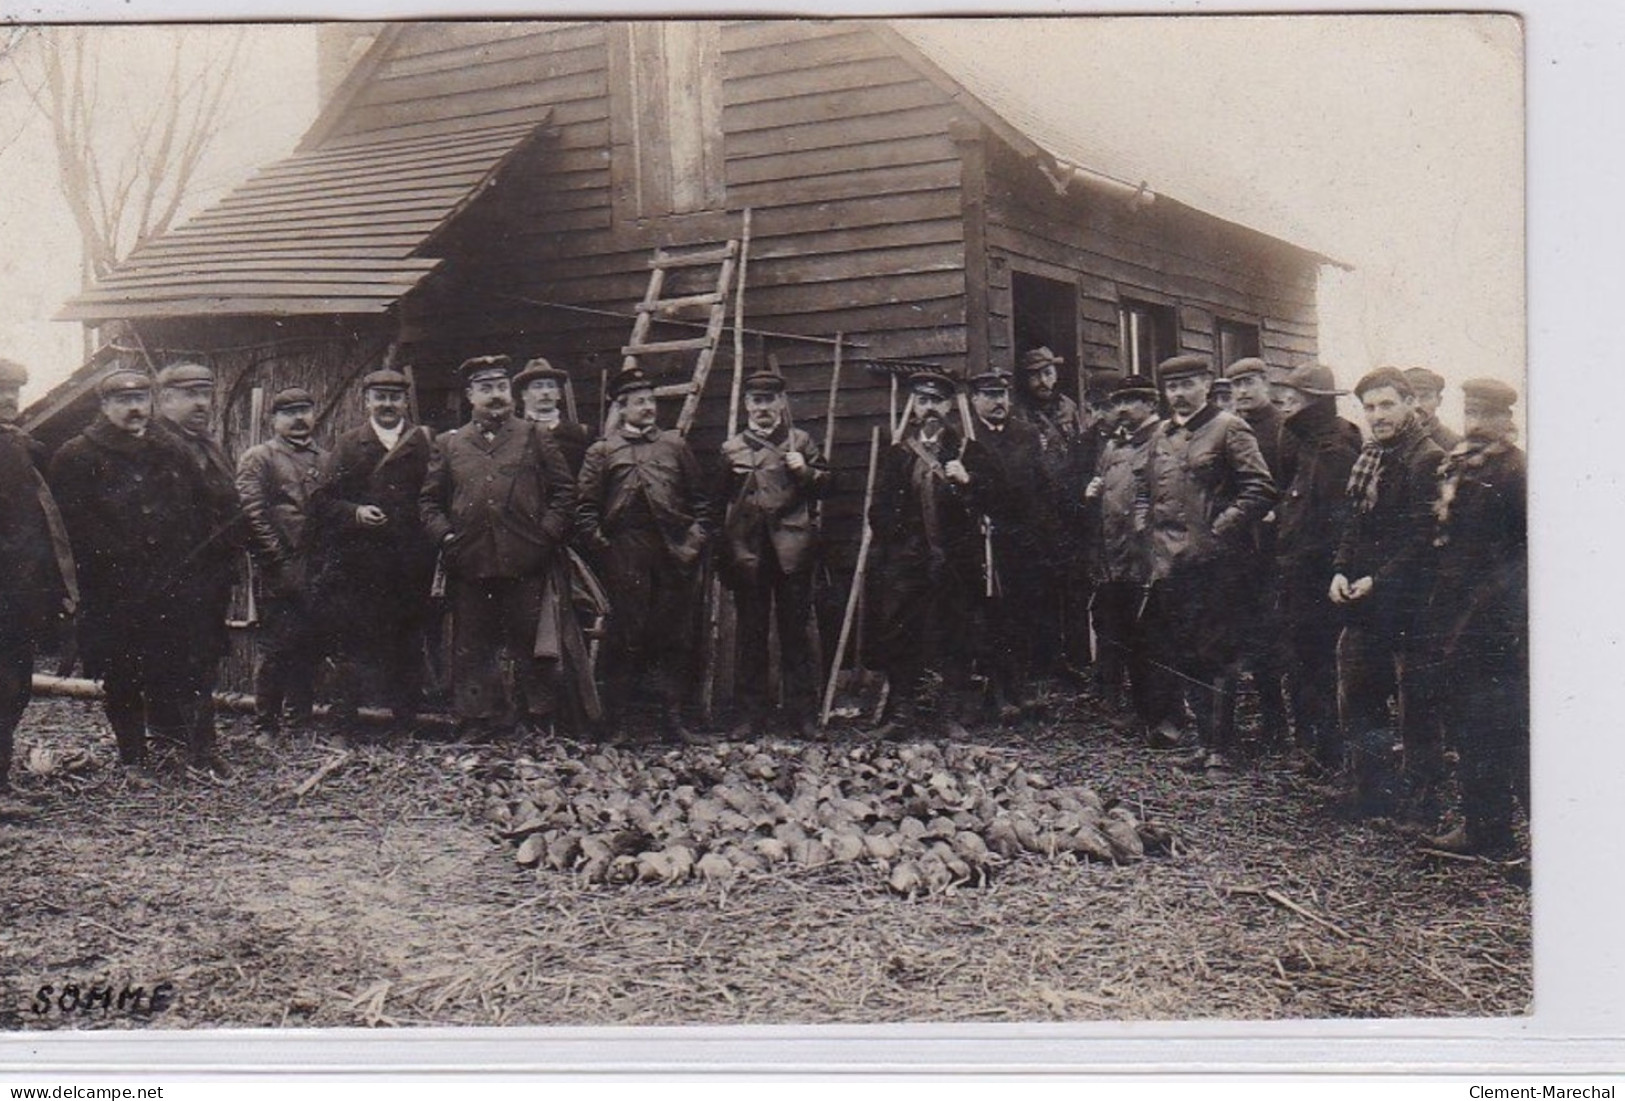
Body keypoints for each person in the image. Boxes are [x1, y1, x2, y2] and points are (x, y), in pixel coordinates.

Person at [50, 368, 206, 785]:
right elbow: (72, 529)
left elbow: (193, 505)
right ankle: (132, 759)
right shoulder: (77, 455)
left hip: (168, 584)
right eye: (123, 401)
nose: (135, 409)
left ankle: (171, 750)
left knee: (169, 666)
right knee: (122, 674)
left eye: (141, 400)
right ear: (104, 406)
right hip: (114, 589)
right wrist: (115, 564)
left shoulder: (170, 448)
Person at [420, 355, 577, 740]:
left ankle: (537, 717)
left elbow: (565, 492)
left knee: (530, 641)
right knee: (472, 643)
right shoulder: (450, 443)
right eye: (486, 389)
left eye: (501, 388)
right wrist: (446, 538)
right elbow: (428, 502)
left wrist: (545, 535)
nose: (495, 396)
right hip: (470, 560)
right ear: (470, 395)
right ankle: (477, 720)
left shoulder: (533, 435)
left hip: (526, 558)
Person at [1143, 354, 1277, 771]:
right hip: (1172, 563)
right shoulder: (1161, 435)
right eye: (1171, 388)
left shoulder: (1229, 428)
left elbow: (1260, 488)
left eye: (1187, 385)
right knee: (1186, 652)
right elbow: (1148, 491)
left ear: (1205, 384)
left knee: (1217, 652)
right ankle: (1202, 744)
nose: (1179, 395)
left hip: (1217, 564)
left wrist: (1221, 529)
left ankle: (1220, 748)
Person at [577, 365, 714, 744]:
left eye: (651, 400)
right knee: (625, 637)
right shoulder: (603, 451)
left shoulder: (674, 445)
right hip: (625, 552)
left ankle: (673, 723)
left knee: (674, 636)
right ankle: (618, 724)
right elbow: (585, 510)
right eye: (639, 402)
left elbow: (702, 503)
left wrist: (694, 541)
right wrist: (605, 549)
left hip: (674, 553)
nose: (648, 407)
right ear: (621, 408)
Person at [1331, 367, 1445, 819]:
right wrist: (1340, 570)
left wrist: (1377, 579)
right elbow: (1354, 524)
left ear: (1410, 403)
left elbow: (1422, 539)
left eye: (1387, 405)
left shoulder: (1426, 459)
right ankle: (1371, 790)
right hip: (1367, 601)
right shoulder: (1373, 456)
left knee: (1417, 702)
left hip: (1412, 603)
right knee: (1359, 691)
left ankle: (1423, 800)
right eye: (1370, 407)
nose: (1377, 415)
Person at [1422, 379, 1527, 858]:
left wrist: (1494, 606)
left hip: (1495, 620)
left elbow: (1524, 552)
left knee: (1501, 727)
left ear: (1507, 420)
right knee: (1468, 724)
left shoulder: (1514, 472)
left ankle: (1514, 836)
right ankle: (1483, 828)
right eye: (1471, 413)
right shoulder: (1458, 467)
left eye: (1487, 414)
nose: (1477, 423)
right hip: (1456, 614)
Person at [308, 368, 437, 737]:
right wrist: (356, 513)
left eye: (394, 397)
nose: (387, 404)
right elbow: (323, 501)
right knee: (353, 645)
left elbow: (437, 495)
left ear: (404, 402)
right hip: (361, 567)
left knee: (408, 644)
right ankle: (344, 726)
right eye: (379, 397)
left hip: (410, 565)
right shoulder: (350, 444)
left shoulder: (424, 444)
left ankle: (405, 725)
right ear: (366, 402)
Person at [867, 370, 995, 740]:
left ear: (950, 405)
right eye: (922, 401)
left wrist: (969, 482)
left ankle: (947, 714)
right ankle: (902, 715)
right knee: (899, 632)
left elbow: (997, 497)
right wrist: (900, 542)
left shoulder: (969, 450)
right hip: (909, 561)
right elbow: (879, 508)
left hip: (955, 561)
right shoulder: (898, 453)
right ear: (914, 406)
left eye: (937, 401)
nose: (930, 409)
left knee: (955, 633)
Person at [718, 369, 832, 739]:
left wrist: (806, 472)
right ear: (746, 404)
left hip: (792, 552)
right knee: (750, 636)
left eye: (770, 400)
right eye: (756, 400)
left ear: (781, 402)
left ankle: (803, 716)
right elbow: (719, 498)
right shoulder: (732, 448)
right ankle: (750, 716)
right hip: (749, 553)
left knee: (795, 636)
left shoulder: (800, 442)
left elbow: (828, 486)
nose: (763, 407)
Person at [151, 362, 245, 778]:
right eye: (190, 395)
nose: (202, 403)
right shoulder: (155, 445)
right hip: (170, 576)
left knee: (201, 658)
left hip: (209, 575)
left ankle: (199, 746)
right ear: (165, 399)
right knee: (170, 658)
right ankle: (174, 746)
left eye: (206, 394)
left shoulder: (208, 445)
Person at [1271, 363, 1362, 774]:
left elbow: (1339, 522)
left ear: (1315, 402)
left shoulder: (1335, 449)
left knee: (1320, 663)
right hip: (1298, 573)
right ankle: (1316, 748)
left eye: (1295, 397)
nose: (1287, 404)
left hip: (1320, 579)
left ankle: (1329, 752)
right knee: (1304, 661)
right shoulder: (1303, 441)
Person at [0, 359, 76, 818]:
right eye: (0, 392)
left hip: (16, 597)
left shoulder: (20, 447)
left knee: (12, 688)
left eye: (13, 392)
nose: (9, 400)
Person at [236, 387, 328, 741]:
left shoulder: (326, 458)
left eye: (304, 410)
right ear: (273, 420)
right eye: (289, 412)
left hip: (318, 568)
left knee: (309, 644)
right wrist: (276, 559)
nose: (299, 418)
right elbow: (251, 513)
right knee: (276, 647)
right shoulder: (260, 458)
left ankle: (299, 721)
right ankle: (266, 725)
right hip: (279, 567)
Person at [1085, 374, 1167, 737]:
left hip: (1150, 558)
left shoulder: (1164, 440)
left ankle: (1164, 717)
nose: (1121, 409)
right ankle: (1139, 711)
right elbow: (1104, 493)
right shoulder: (1113, 447)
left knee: (1154, 637)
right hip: (1115, 558)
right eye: (1117, 402)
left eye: (1131, 401)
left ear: (1151, 404)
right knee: (1124, 633)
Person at [965, 367, 1044, 721]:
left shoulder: (1026, 434)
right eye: (991, 395)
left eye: (1003, 395)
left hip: (1022, 539)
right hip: (983, 540)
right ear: (974, 399)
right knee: (989, 617)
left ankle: (1020, 688)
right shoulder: (965, 437)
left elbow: (1040, 485)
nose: (999, 402)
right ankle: (994, 693)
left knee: (1021, 614)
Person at [1011, 346, 1092, 677]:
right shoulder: (1020, 413)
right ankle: (1045, 661)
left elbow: (1082, 449)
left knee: (1074, 584)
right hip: (1038, 510)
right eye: (1035, 375)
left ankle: (1076, 659)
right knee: (1040, 587)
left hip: (1070, 508)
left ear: (1056, 374)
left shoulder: (1069, 408)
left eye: (1047, 373)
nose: (1043, 381)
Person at [1225, 357, 1291, 747]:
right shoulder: (1232, 428)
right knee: (1240, 632)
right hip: (1238, 548)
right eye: (1236, 386)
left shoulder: (1283, 430)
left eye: (1249, 383)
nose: (1243, 392)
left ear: (1266, 383)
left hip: (1273, 549)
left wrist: (1276, 513)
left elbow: (1295, 483)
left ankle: (1277, 724)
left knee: (1270, 637)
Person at [515, 356, 592, 477]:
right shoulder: (515, 435)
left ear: (558, 394)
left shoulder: (580, 434)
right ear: (524, 395)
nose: (545, 392)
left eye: (551, 386)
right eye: (538, 386)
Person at [1403, 367, 1462, 453]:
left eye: (1425, 397)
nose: (1417, 405)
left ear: (1439, 400)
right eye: (1411, 398)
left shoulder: (1454, 444)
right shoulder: (1389, 439)